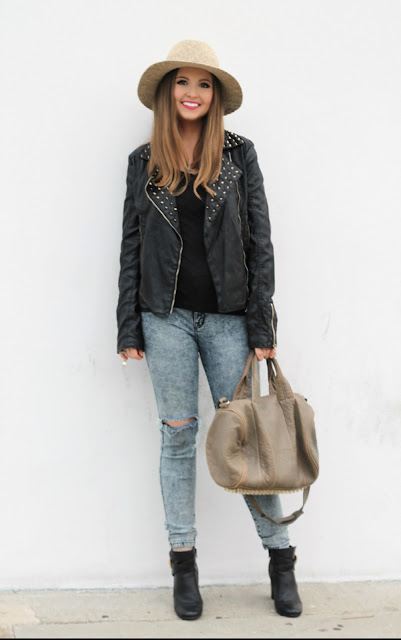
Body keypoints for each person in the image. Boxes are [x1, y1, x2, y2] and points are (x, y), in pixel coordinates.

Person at [116, 40, 302, 621]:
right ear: (167, 92)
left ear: (215, 95)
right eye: (182, 82)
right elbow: (131, 245)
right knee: (177, 439)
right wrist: (128, 326)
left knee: (247, 438)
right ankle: (184, 565)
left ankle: (281, 559)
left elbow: (261, 242)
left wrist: (262, 323)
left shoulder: (240, 155)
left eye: (203, 84)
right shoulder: (144, 161)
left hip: (229, 319)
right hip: (164, 318)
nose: (192, 93)